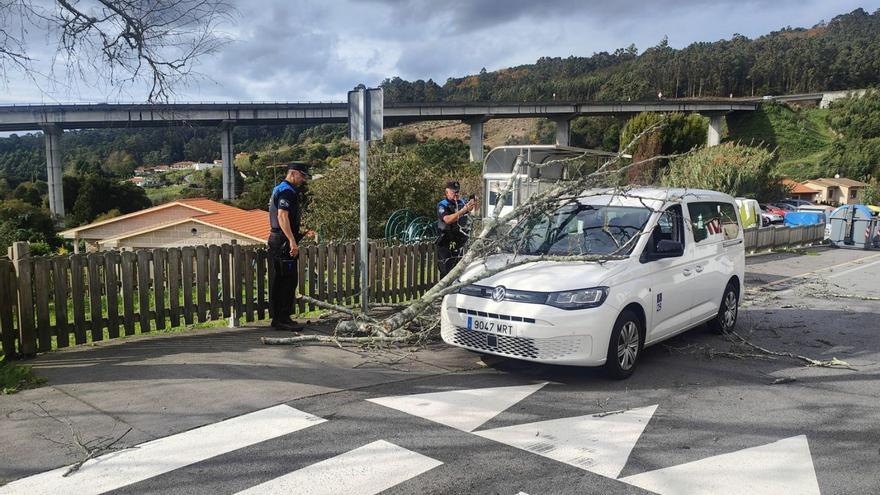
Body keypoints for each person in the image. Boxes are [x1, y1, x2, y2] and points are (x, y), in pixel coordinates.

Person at [267, 162, 310, 331]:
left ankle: (281, 317)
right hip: (283, 241)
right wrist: (292, 240)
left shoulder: (279, 188)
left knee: (282, 279)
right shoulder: (287, 191)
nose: (303, 180)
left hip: (278, 239)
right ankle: (281, 319)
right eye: (302, 176)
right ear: (293, 173)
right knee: (287, 280)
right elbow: (282, 216)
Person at [436, 180, 478, 278]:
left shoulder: (461, 202)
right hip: (446, 241)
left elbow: (472, 209)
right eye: (454, 191)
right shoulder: (443, 204)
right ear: (447, 192)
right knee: (447, 270)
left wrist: (473, 202)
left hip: (459, 240)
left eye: (457, 191)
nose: (456, 194)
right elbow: (447, 219)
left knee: (460, 269)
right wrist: (463, 211)